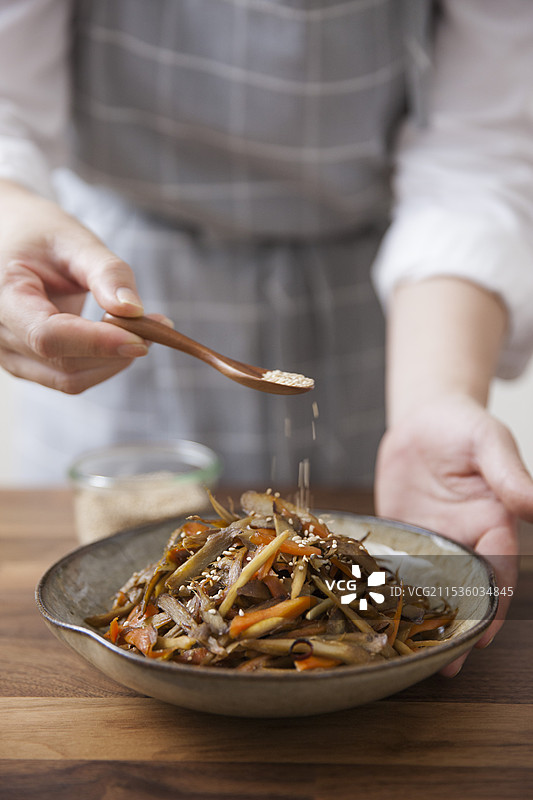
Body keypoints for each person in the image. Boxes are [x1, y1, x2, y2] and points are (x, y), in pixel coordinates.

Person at [1, 0, 533, 674]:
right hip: (121, 267)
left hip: (384, 308)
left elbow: (480, 155)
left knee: (363, 563)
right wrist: (8, 216)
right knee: (115, 554)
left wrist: (435, 402)